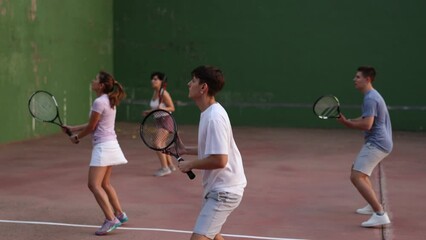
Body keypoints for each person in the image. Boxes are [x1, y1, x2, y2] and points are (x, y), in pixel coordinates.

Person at [170, 65, 247, 240]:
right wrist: (185, 150)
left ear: (203, 87)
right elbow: (214, 149)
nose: (189, 83)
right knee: (214, 235)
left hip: (225, 191)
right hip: (220, 188)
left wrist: (190, 164)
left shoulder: (214, 117)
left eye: (194, 80)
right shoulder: (209, 113)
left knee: (199, 238)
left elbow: (220, 159)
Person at [64, 71, 129, 235]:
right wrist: (73, 128)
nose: (92, 81)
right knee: (105, 184)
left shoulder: (99, 102)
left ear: (100, 85)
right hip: (112, 145)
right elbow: (94, 122)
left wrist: (77, 137)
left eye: (95, 80)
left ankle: (110, 219)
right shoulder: (108, 100)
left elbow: (92, 127)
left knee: (93, 184)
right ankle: (120, 214)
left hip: (103, 147)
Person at [337, 66, 393, 227]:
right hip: (381, 142)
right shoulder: (373, 96)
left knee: (356, 176)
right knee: (360, 171)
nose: (354, 80)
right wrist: (349, 120)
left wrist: (348, 124)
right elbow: (366, 117)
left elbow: (367, 124)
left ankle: (380, 214)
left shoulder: (370, 98)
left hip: (377, 143)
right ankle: (373, 205)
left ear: (367, 79)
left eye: (358, 77)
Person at [143, 71, 177, 177]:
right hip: (158, 120)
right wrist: (148, 112)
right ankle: (170, 166)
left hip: (166, 120)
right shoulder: (155, 93)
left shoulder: (164, 93)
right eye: (152, 79)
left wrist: (163, 108)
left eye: (156, 79)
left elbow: (172, 108)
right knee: (162, 144)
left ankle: (165, 168)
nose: (153, 81)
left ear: (161, 81)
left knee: (157, 144)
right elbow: (156, 108)